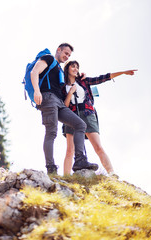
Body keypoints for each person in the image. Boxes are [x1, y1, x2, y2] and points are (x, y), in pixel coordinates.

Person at [30, 43, 98, 175]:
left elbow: (69, 80)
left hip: (59, 102)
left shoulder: (59, 69)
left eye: (69, 55)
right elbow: (34, 72)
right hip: (47, 98)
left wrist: (80, 75)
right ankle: (51, 168)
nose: (67, 56)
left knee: (80, 124)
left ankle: (79, 160)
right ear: (58, 50)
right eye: (65, 53)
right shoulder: (48, 58)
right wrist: (37, 91)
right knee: (51, 132)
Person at [62, 60, 137, 175]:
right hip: (71, 116)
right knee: (70, 150)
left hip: (87, 114)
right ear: (67, 69)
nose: (76, 69)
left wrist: (123, 72)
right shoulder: (63, 86)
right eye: (73, 67)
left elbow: (103, 78)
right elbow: (64, 106)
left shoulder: (84, 81)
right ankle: (66, 177)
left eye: (77, 67)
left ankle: (111, 173)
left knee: (98, 147)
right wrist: (71, 92)